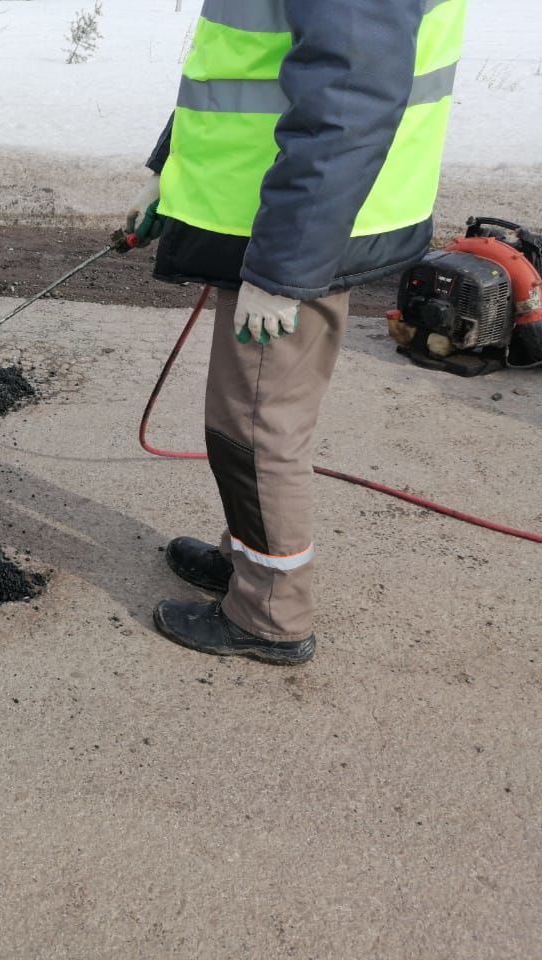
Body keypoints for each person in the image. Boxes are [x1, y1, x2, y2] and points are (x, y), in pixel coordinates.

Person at [125, 0, 466, 664]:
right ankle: (247, 561)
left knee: (254, 426)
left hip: (296, 233)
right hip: (271, 211)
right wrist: (169, 168)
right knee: (251, 418)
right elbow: (251, 65)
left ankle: (268, 612)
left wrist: (284, 270)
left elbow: (349, 97)